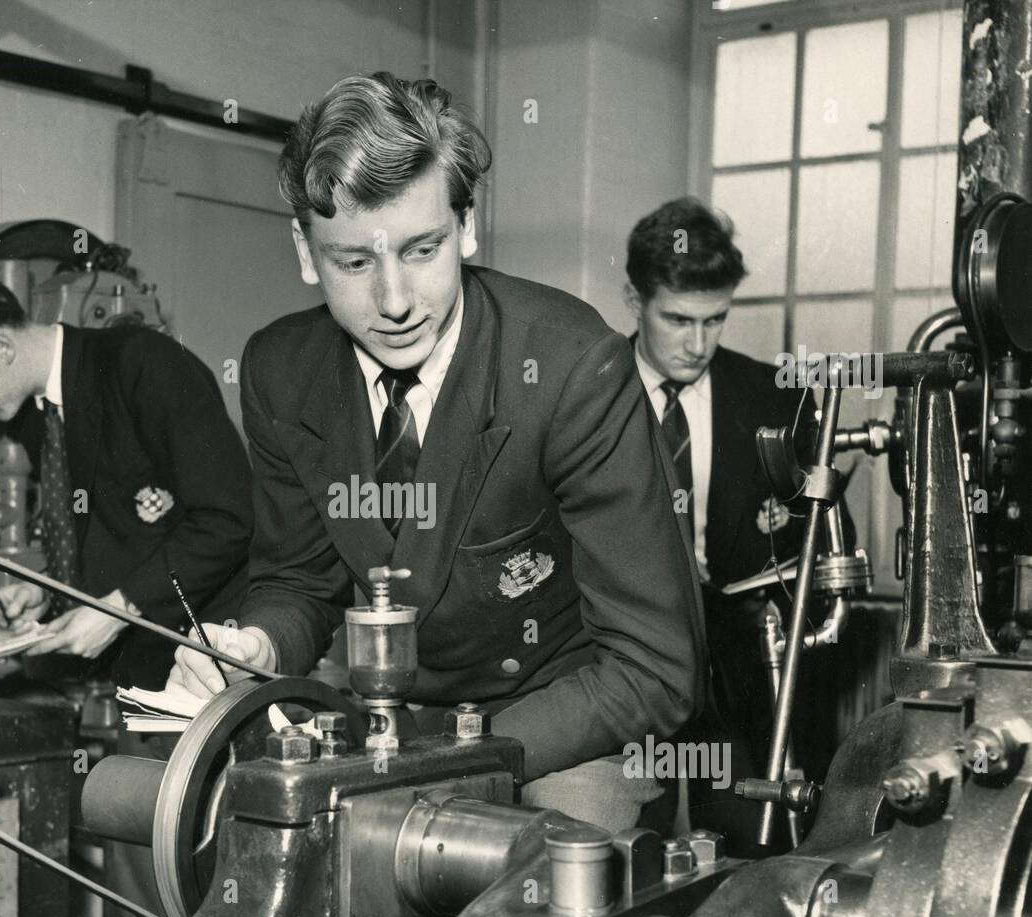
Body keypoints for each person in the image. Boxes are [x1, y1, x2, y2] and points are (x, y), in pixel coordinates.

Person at [168, 72, 706, 833]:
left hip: (567, 725)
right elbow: (298, 578)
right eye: (353, 263)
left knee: (538, 904)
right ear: (303, 249)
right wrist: (254, 643)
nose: (393, 302)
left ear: (469, 225)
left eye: (423, 250)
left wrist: (455, 761)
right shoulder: (279, 371)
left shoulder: (569, 367)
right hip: (396, 726)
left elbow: (654, 668)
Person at [0, 259, 253, 690]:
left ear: (1, 347)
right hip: (130, 678)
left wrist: (120, 608)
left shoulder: (146, 365)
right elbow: (112, 532)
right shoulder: (28, 414)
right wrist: (48, 592)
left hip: (209, 665)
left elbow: (228, 519)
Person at [623, 197, 855, 841]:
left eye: (715, 320)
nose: (698, 344)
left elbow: (830, 542)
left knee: (750, 858)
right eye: (677, 320)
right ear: (633, 298)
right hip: (623, 678)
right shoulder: (586, 391)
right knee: (627, 863)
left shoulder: (773, 397)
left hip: (744, 688)